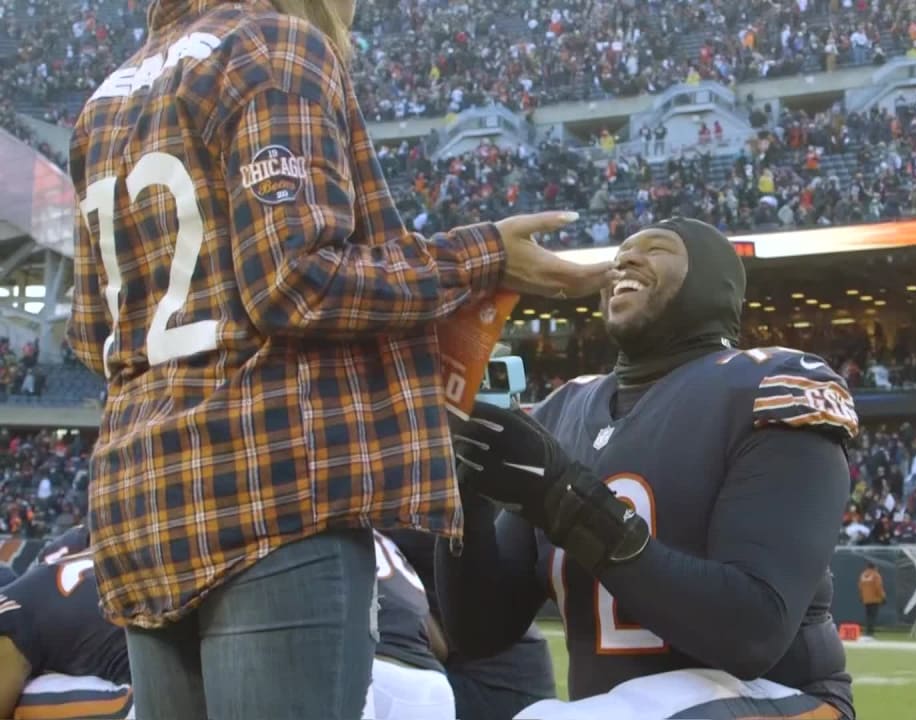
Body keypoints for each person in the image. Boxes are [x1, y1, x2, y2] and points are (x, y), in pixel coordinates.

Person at [65, 2, 612, 719]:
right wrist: (483, 256)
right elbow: (295, 282)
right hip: (269, 484)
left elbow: (86, 333)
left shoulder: (104, 99)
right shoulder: (275, 42)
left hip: (140, 498)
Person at [437, 218, 859, 719]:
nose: (626, 260)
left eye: (655, 249)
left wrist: (564, 499)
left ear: (712, 281)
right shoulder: (562, 410)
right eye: (621, 252)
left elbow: (751, 631)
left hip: (783, 698)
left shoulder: (769, 384)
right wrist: (464, 496)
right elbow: (481, 630)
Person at [386, 529, 557, 720]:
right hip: (522, 673)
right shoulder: (415, 521)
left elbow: (433, 642)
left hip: (494, 684)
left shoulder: (387, 530)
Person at [0, 527, 133, 720]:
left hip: (170, 691)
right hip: (179, 622)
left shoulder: (10, 617)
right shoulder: (50, 565)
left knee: (27, 701)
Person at [369, 532, 454, 720]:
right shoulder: (385, 541)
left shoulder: (312, 529)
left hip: (371, 677)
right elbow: (440, 647)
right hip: (432, 687)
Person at [858, 564, 885, 637]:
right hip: (875, 599)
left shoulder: (863, 575)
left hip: (866, 599)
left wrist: (861, 596)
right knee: (873, 616)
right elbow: (878, 587)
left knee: (868, 616)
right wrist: (883, 597)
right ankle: (871, 632)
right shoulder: (876, 575)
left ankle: (867, 631)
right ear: (875, 567)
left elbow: (860, 587)